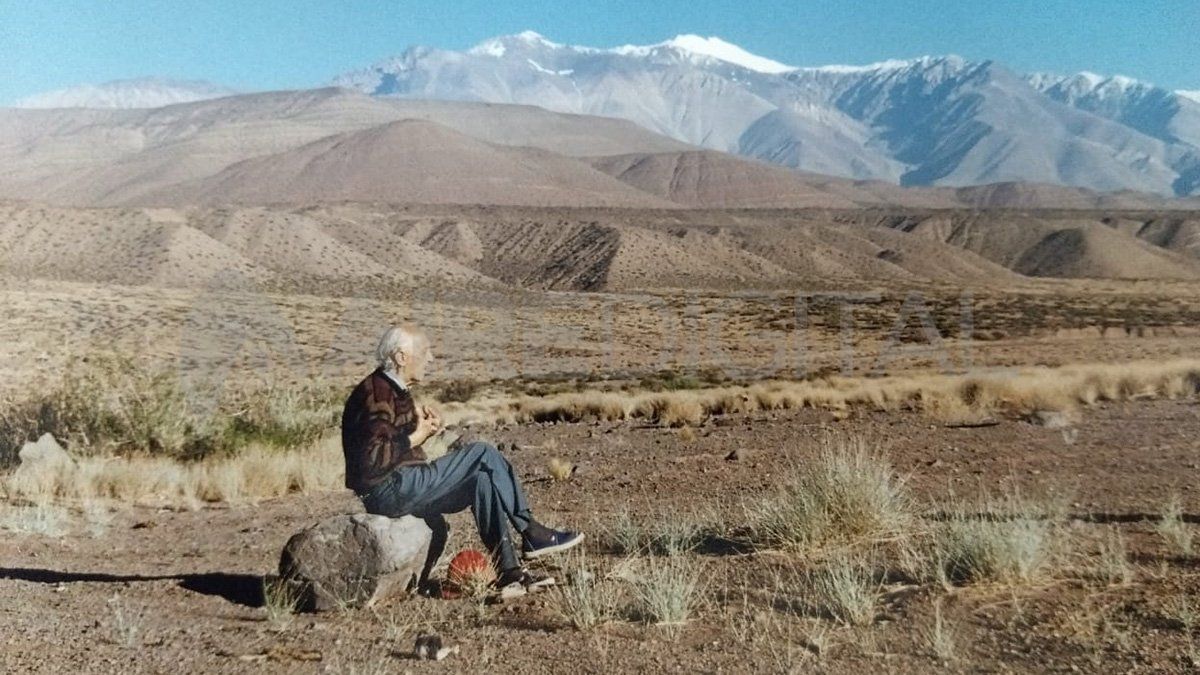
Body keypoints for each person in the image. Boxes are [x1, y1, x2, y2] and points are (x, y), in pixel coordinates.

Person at [341, 325, 583, 593]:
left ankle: (510, 572)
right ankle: (531, 531)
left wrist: (421, 431)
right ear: (400, 357)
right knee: (481, 452)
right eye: (424, 351)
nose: (430, 358)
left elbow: (389, 445)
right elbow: (371, 459)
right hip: (388, 490)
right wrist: (414, 438)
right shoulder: (377, 393)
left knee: (481, 480)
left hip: (402, 485)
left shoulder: (393, 390)